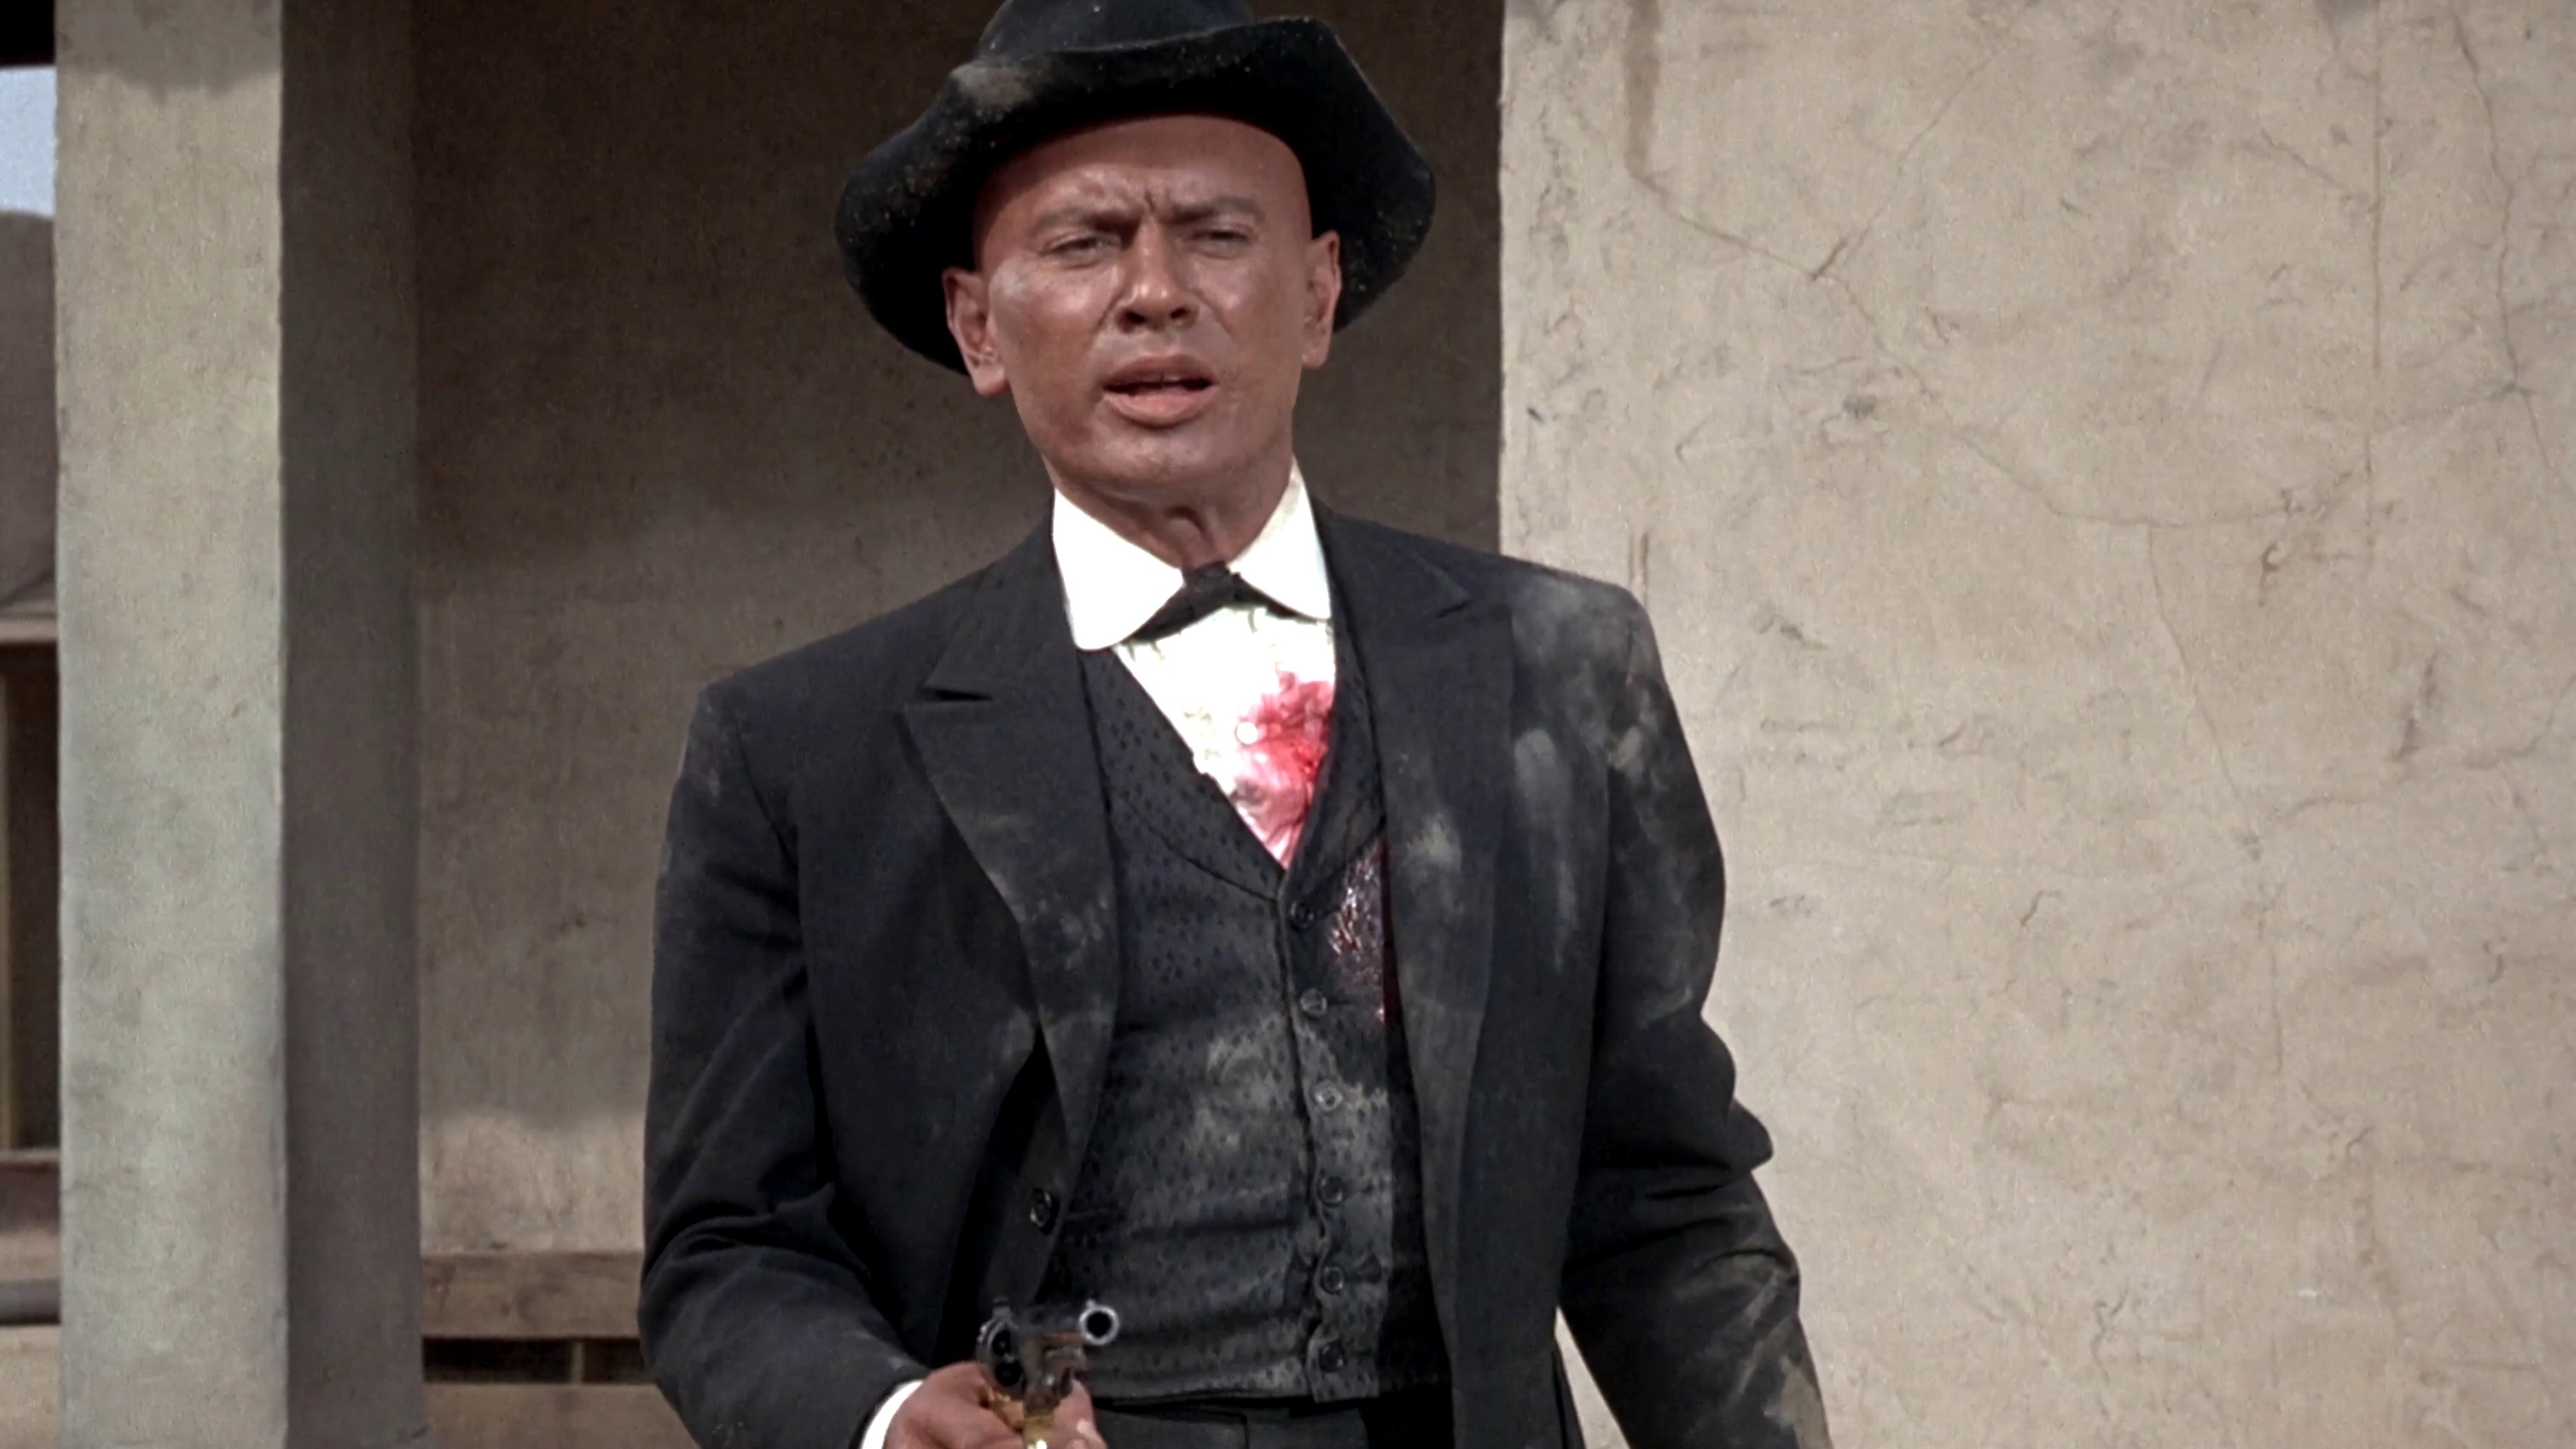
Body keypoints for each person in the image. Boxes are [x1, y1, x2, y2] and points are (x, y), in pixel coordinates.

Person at [640, 2, 1832, 1446]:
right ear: (978, 324)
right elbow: (728, 1251)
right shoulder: (802, 754)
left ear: (1319, 295)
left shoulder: (1558, 675)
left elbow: (1664, 1197)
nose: (1156, 294)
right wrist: (890, 1419)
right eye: (1084, 243)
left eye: (1216, 235)